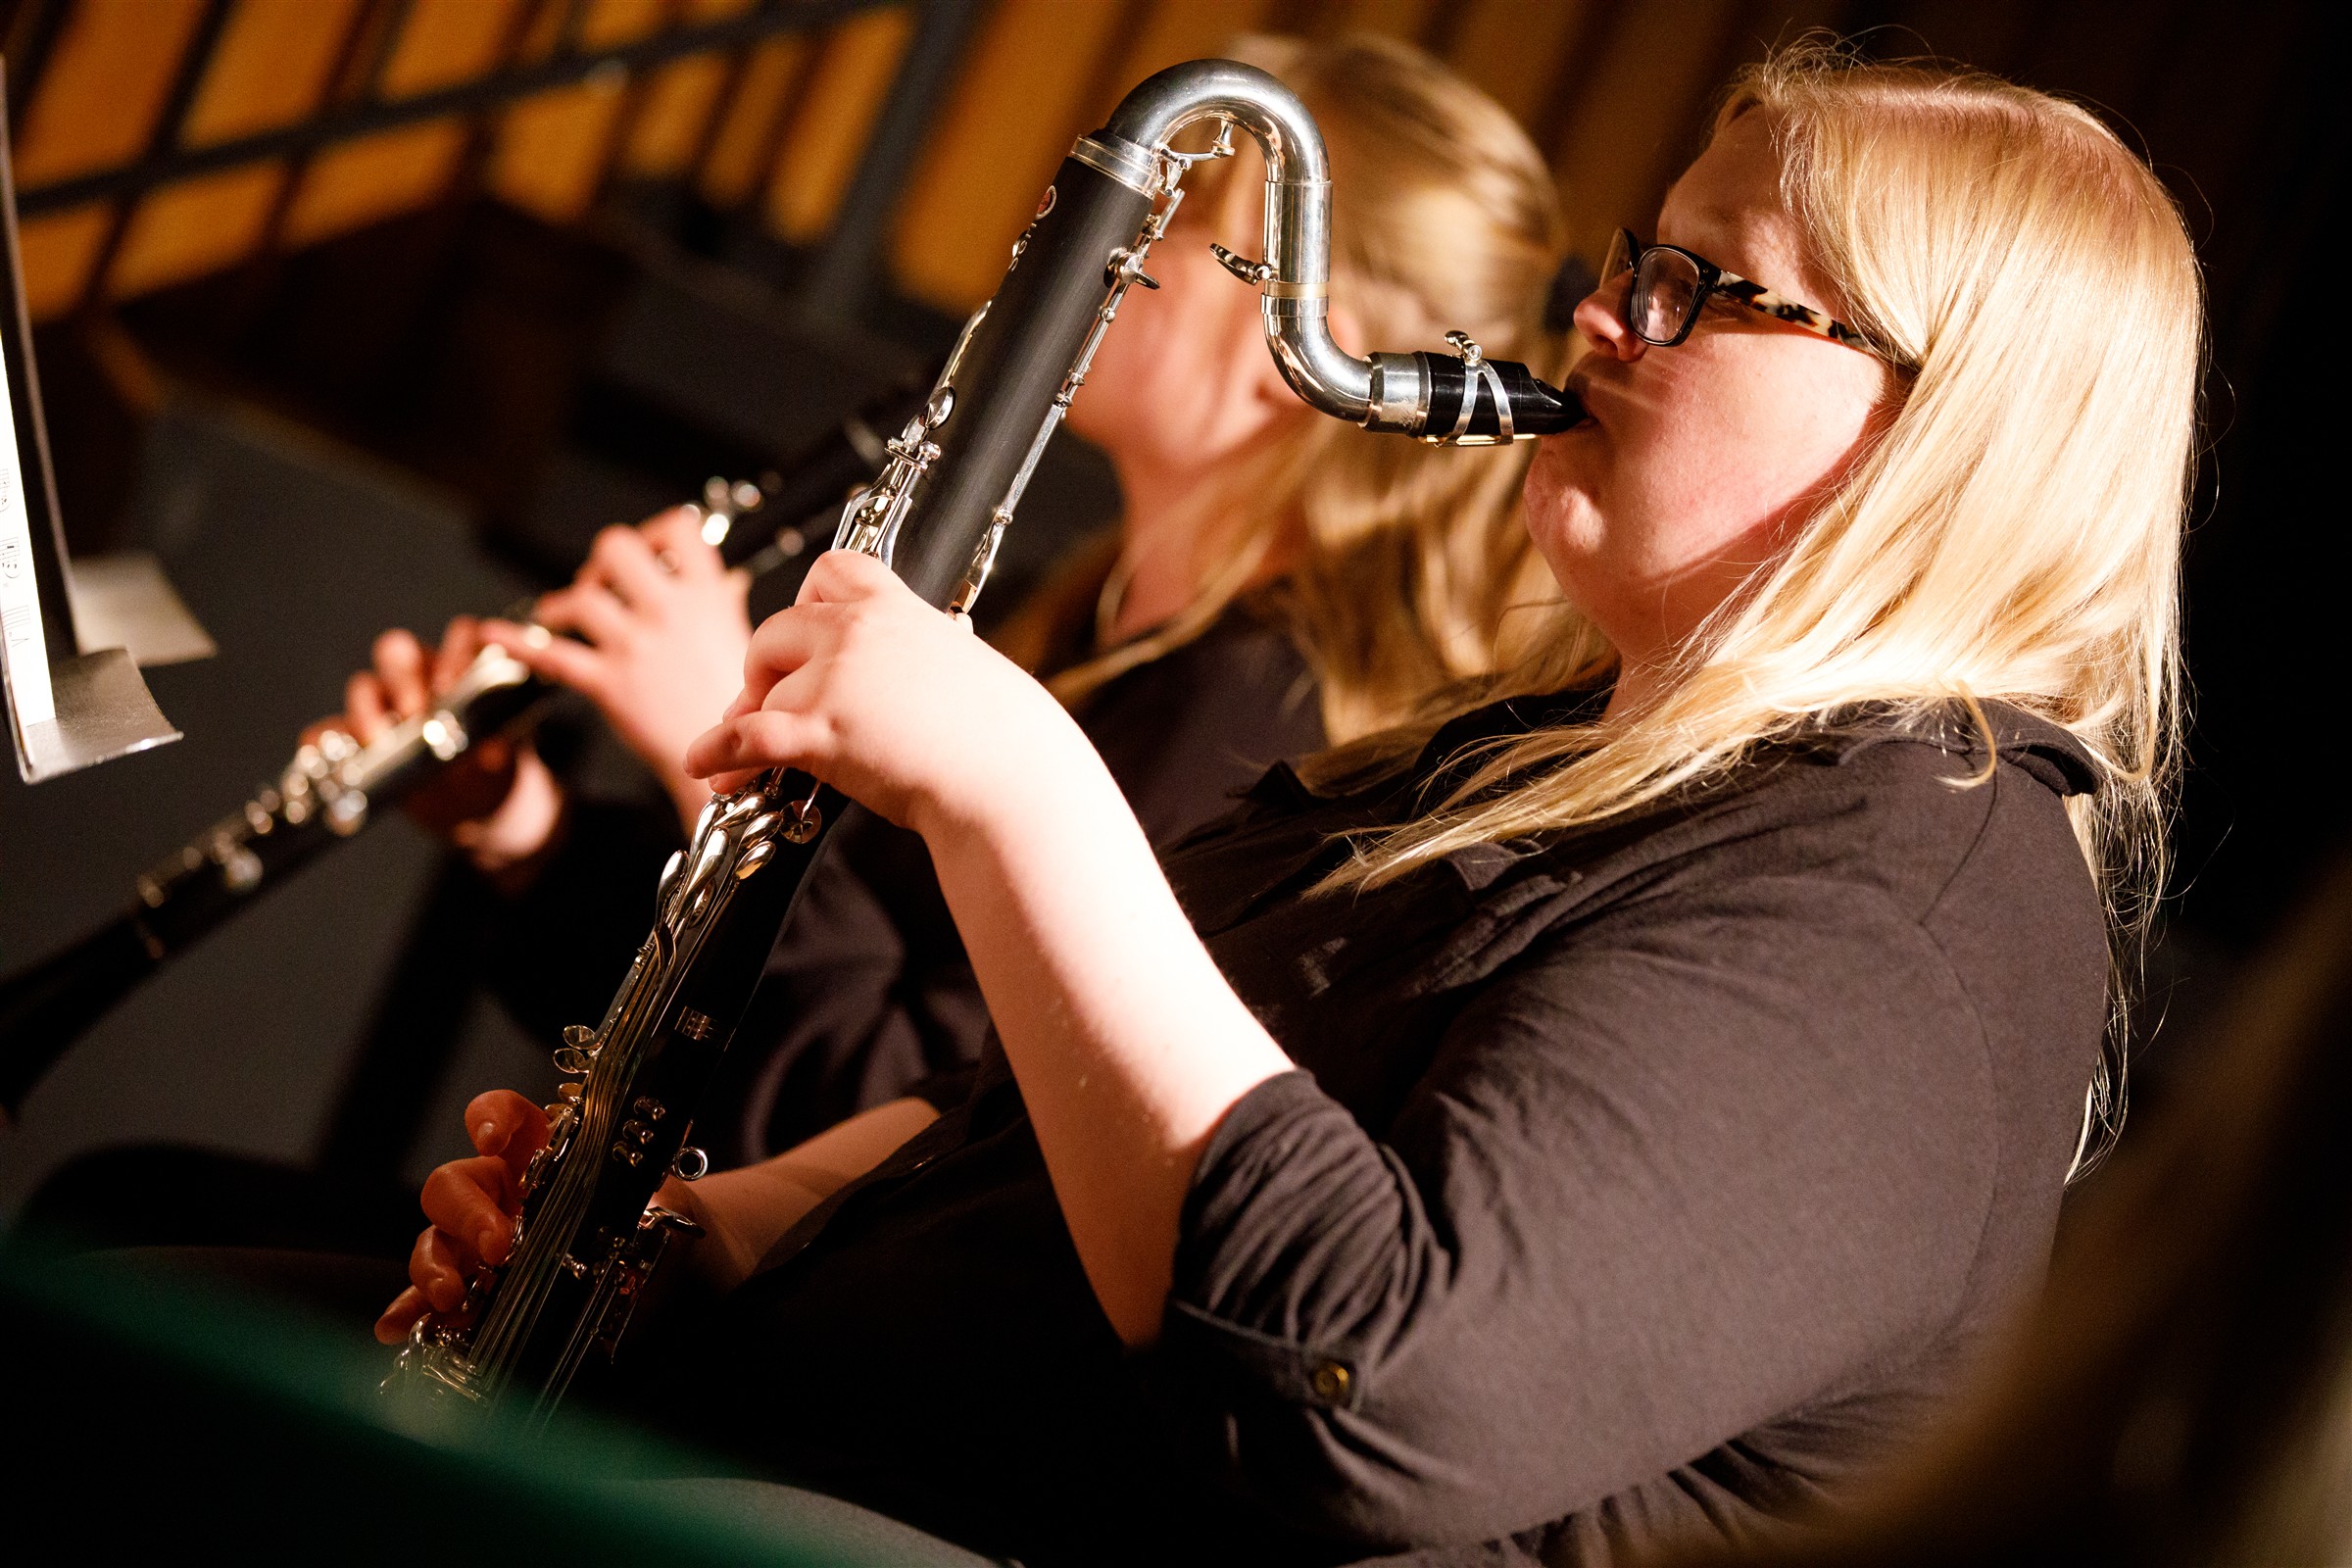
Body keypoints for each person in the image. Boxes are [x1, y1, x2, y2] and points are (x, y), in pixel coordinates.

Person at [376, 40, 2199, 1565]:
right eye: (1630, 257)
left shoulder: (1900, 903)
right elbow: (1032, 1101)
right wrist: (725, 1232)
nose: (1601, 313)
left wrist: (1017, 792)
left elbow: (1379, 1385)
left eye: (1696, 289)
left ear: (1936, 422)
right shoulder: (1554, 756)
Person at [345, 29, 1574, 1162]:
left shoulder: (1250, 720)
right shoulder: (1088, 618)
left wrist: (704, 739)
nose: (1114, 241)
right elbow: (740, 998)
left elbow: (886, 1124)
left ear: (1293, 344)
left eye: (1187, 211)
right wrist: (530, 832)